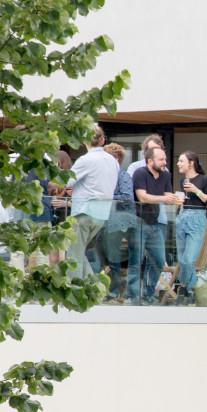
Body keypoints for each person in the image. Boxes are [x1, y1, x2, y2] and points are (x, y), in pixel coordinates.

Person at [65, 125, 119, 280]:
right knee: (78, 252)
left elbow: (67, 181)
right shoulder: (112, 161)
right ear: (102, 140)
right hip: (102, 213)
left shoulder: (85, 159)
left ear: (84, 141)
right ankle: (92, 286)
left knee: (74, 253)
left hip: (84, 210)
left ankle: (76, 289)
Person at [131, 146, 178, 302]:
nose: (165, 162)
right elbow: (142, 197)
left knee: (159, 260)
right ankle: (134, 296)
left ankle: (149, 294)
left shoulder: (165, 175)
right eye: (161, 159)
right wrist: (165, 199)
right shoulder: (140, 173)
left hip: (155, 223)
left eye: (165, 159)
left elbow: (167, 195)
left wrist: (176, 199)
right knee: (136, 261)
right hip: (139, 221)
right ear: (150, 160)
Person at [101, 143, 141, 302]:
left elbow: (126, 197)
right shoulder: (106, 176)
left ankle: (122, 292)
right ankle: (113, 291)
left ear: (116, 158)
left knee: (119, 257)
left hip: (123, 221)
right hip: (110, 221)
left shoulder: (123, 175)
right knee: (111, 257)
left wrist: (106, 197)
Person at [174, 151, 207, 300]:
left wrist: (196, 190)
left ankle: (187, 288)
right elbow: (184, 200)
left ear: (191, 163)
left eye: (181, 161)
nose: (178, 163)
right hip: (182, 216)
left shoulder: (204, 180)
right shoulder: (182, 181)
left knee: (188, 259)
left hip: (197, 217)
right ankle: (187, 290)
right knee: (182, 258)